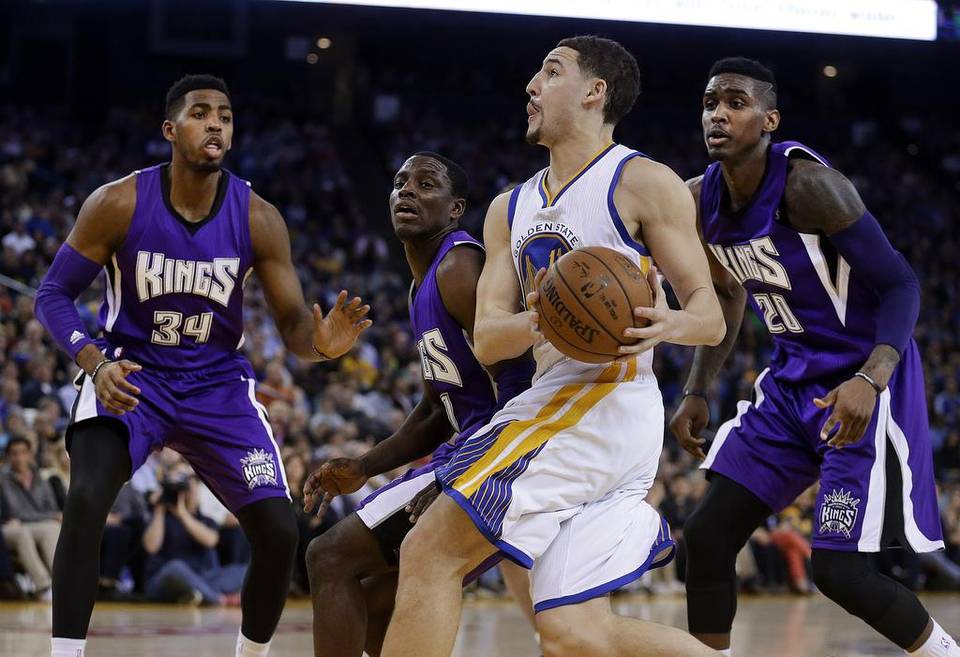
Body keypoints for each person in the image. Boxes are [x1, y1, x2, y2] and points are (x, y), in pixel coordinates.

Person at [379, 36, 726, 657]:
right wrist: (543, 319)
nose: (531, 85)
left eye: (551, 71)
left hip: (607, 401)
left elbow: (710, 316)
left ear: (595, 92)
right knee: (574, 634)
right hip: (555, 400)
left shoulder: (644, 182)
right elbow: (489, 341)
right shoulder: (508, 208)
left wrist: (668, 323)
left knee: (428, 551)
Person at [33, 74, 371, 657]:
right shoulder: (119, 202)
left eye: (225, 116)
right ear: (170, 129)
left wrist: (321, 346)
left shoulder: (258, 217)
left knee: (279, 531)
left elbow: (295, 326)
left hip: (216, 386)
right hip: (131, 375)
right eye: (200, 113)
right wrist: (93, 361)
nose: (215, 122)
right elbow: (52, 294)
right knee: (85, 499)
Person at [670, 57, 957, 657]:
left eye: (736, 103)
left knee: (839, 572)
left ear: (769, 119)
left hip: (859, 381)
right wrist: (697, 388)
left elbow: (901, 284)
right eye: (710, 102)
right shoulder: (697, 200)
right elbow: (726, 295)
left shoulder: (809, 187)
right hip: (791, 382)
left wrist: (870, 380)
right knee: (707, 537)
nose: (718, 114)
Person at [302, 152, 534, 657]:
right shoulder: (421, 285)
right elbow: (436, 410)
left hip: (500, 460)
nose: (406, 190)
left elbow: (520, 383)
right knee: (374, 606)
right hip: (478, 454)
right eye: (400, 182)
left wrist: (465, 478)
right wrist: (364, 466)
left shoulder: (459, 267)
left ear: (455, 209)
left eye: (426, 184)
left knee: (328, 557)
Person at [0, 436, 61, 596]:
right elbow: (15, 512)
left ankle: (61, 583)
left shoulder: (39, 477)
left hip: (32, 523)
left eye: (23, 452)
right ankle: (44, 587)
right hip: (9, 526)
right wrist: (48, 516)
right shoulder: (3, 479)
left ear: (29, 454)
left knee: (53, 528)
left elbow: (52, 508)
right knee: (23, 533)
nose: (19, 457)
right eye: (14, 453)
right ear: (8, 456)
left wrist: (49, 516)